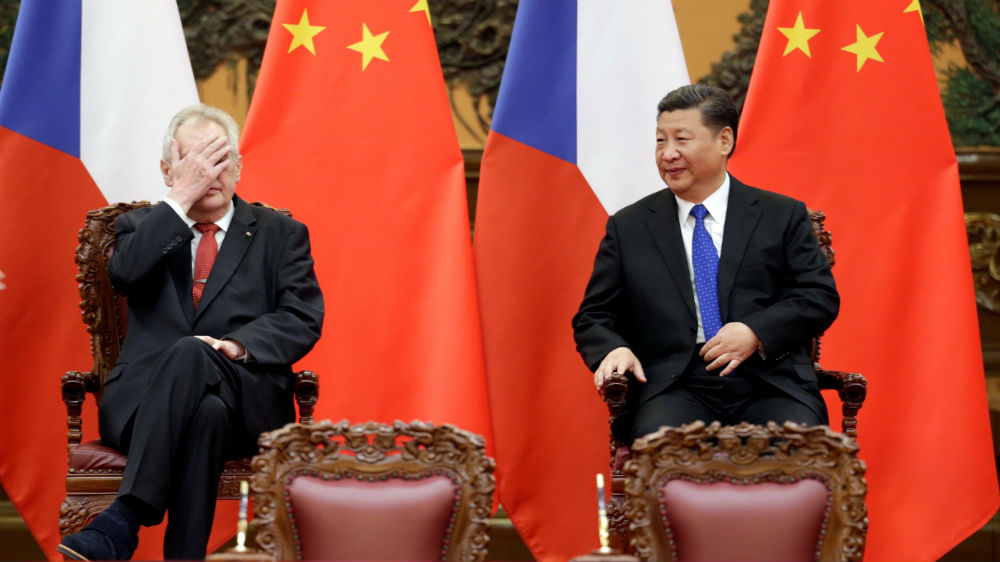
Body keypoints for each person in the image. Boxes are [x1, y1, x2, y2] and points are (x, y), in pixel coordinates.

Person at [57, 104, 324, 561]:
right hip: (143, 403)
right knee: (205, 412)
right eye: (193, 162)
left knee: (197, 358)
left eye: (218, 160)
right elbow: (126, 274)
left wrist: (233, 347)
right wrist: (179, 200)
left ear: (238, 167)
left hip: (248, 400)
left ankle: (124, 518)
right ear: (168, 170)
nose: (208, 173)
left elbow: (301, 317)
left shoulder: (281, 234)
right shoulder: (137, 228)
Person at [572, 84, 838, 444]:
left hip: (769, 380)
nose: (668, 154)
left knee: (800, 448)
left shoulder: (780, 215)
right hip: (673, 386)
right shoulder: (630, 227)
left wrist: (755, 332)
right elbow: (594, 315)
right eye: (660, 141)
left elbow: (818, 297)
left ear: (724, 140)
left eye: (682, 139)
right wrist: (613, 349)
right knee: (662, 452)